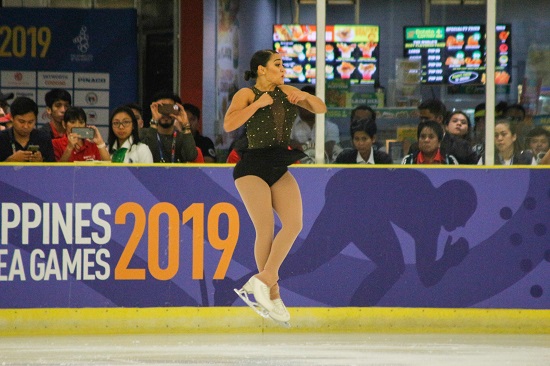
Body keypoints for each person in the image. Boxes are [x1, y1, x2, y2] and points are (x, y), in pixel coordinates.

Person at [224, 49, 327, 325]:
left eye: (283, 65)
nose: (283, 70)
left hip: (278, 163)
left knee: (294, 225)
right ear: (261, 69)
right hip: (251, 166)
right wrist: (257, 105)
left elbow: (321, 108)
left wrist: (303, 97)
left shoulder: (287, 90)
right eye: (277, 65)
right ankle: (274, 293)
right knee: (266, 228)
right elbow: (229, 123)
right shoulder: (246, 94)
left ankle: (263, 280)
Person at [409, 99, 476, 164]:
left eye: (426, 119)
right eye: (421, 118)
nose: (422, 122)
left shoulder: (461, 146)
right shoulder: (415, 148)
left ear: (439, 119)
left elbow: (473, 172)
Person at [139, 91, 198, 163]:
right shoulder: (143, 134)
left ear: (176, 110)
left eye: (169, 108)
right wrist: (154, 121)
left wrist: (185, 124)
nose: (166, 113)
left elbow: (191, 156)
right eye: (161, 108)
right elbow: (145, 154)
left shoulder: (182, 137)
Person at [289, 85, 341, 163]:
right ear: (297, 104)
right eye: (303, 102)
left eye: (310, 103)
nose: (307, 106)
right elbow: (287, 147)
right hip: (296, 169)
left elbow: (327, 152)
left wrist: (300, 147)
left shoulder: (331, 127)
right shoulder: (288, 126)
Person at [0, 96, 55, 162]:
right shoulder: (2, 138)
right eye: (21, 121)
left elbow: (52, 170)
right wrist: (8, 162)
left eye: (30, 122)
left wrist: (41, 163)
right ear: (11, 117)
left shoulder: (44, 138)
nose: (26, 126)